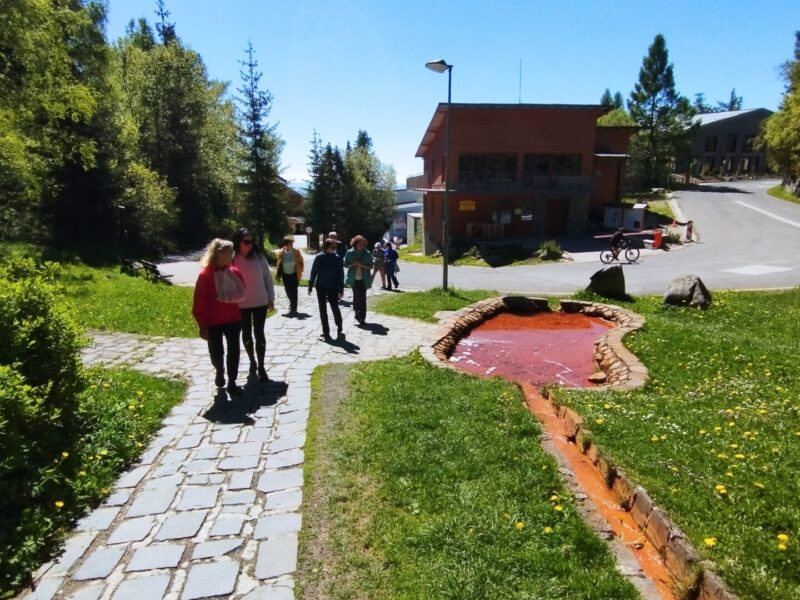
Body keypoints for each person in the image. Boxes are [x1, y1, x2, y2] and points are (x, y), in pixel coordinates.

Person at [192, 238, 247, 394]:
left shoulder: (234, 273)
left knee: (234, 350)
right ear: (219, 254)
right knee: (216, 352)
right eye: (230, 253)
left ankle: (232, 381)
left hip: (233, 318)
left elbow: (242, 291)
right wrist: (202, 326)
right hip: (213, 321)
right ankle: (219, 369)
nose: (232, 256)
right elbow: (198, 302)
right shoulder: (205, 276)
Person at [230, 228, 275, 382]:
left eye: (251, 241)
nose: (250, 245)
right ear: (238, 243)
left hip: (260, 301)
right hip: (241, 304)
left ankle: (261, 366)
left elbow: (267, 277)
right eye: (246, 242)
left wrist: (271, 297)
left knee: (259, 333)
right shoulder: (232, 259)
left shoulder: (258, 256)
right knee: (247, 334)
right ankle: (252, 361)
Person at [308, 238, 345, 340]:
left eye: (335, 247)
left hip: (333, 287)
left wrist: (341, 288)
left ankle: (339, 324)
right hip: (320, 286)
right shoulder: (319, 258)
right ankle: (326, 331)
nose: (334, 249)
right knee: (322, 309)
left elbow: (340, 274)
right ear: (326, 247)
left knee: (335, 307)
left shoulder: (337, 259)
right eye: (332, 247)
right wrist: (310, 285)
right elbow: (314, 272)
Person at [344, 235, 374, 325]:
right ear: (355, 244)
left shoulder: (367, 253)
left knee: (362, 298)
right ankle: (356, 312)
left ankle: (362, 317)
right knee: (356, 297)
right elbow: (345, 265)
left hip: (363, 279)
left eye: (363, 244)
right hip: (353, 279)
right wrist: (354, 264)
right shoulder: (349, 252)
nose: (361, 246)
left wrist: (361, 265)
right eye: (359, 244)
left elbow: (370, 266)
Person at [275, 235, 304, 316]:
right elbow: (278, 263)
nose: (292, 245)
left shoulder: (296, 252)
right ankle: (292, 303)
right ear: (286, 244)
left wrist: (300, 270)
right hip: (285, 274)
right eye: (290, 244)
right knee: (288, 291)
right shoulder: (281, 253)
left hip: (294, 274)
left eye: (292, 244)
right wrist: (278, 273)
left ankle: (294, 308)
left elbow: (301, 261)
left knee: (294, 291)